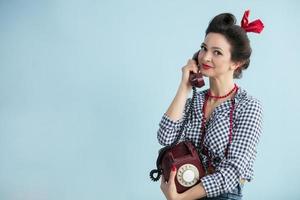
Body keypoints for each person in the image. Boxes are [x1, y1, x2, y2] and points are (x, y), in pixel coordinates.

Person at [157, 10, 264, 200]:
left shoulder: (248, 106)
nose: (205, 57)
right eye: (204, 48)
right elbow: (166, 137)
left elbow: (232, 172)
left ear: (236, 63)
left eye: (217, 52)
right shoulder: (195, 101)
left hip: (222, 195)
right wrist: (185, 86)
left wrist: (180, 199)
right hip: (184, 188)